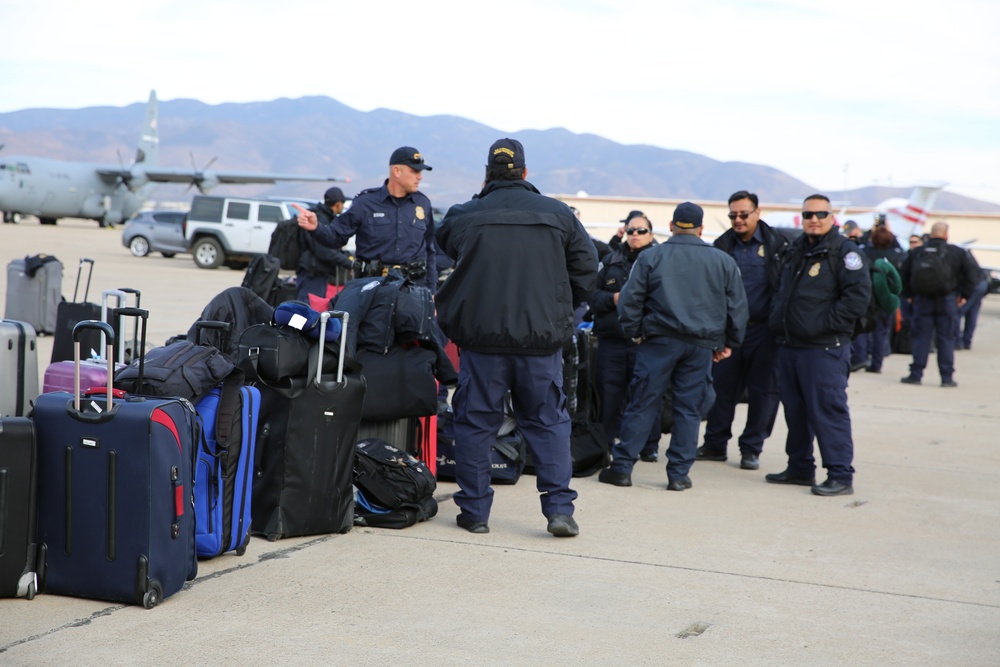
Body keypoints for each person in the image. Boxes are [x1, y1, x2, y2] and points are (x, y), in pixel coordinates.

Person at [434, 138, 598, 537]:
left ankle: (475, 513)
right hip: (540, 342)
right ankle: (559, 510)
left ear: (487, 173)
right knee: (548, 423)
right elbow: (587, 268)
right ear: (525, 173)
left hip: (482, 341)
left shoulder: (464, 214)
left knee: (475, 424)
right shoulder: (558, 214)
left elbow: (445, 246)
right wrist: (559, 307)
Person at [598, 202, 748, 491]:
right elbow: (737, 306)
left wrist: (634, 333)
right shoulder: (722, 260)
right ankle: (678, 474)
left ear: (671, 226)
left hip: (658, 342)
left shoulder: (653, 256)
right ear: (701, 228)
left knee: (642, 403)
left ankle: (622, 468)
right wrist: (729, 342)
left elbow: (630, 301)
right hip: (700, 345)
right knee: (688, 410)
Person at [765, 194, 871, 497]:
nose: (814, 219)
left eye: (820, 214)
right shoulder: (796, 250)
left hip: (824, 348)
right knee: (795, 411)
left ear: (831, 217)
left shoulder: (845, 253)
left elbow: (856, 300)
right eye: (808, 214)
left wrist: (820, 325)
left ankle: (840, 474)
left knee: (828, 411)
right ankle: (799, 467)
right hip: (790, 345)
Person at [696, 191, 789, 471]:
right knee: (722, 389)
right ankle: (714, 444)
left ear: (757, 213)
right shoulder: (721, 246)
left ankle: (751, 448)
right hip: (729, 332)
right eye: (732, 215)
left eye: (743, 214)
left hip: (765, 331)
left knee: (764, 392)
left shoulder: (778, 245)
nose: (738, 219)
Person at [297, 146, 437, 290]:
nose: (420, 176)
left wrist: (432, 292)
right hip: (373, 289)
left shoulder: (422, 204)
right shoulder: (366, 203)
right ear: (397, 171)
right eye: (415, 171)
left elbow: (430, 251)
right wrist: (316, 228)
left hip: (413, 290)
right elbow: (336, 237)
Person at [588, 211, 662, 462]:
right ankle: (606, 441)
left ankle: (649, 445)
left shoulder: (660, 261)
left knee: (646, 393)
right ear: (624, 233)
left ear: (651, 234)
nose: (636, 235)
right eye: (631, 230)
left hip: (646, 342)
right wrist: (614, 298)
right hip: (612, 341)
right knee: (609, 393)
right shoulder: (610, 261)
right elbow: (593, 298)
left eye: (642, 231)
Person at [899, 222, 982, 387]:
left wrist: (909, 295)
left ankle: (915, 374)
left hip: (922, 301)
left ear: (930, 234)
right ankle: (946, 377)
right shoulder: (956, 252)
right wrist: (964, 295)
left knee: (921, 338)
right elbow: (973, 275)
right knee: (946, 339)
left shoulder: (917, 252)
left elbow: (904, 274)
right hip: (947, 301)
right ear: (946, 234)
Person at [294, 186, 355, 302]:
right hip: (312, 274)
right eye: (342, 203)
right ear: (337, 204)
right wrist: (348, 263)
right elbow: (324, 251)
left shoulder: (322, 217)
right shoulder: (320, 219)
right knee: (306, 310)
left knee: (312, 308)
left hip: (316, 272)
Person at [860, 223, 905, 373]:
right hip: (886, 299)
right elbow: (902, 252)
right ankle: (877, 364)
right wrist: (892, 234)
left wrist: (869, 232)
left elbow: (859, 244)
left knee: (863, 329)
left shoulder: (866, 252)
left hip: (868, 297)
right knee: (881, 332)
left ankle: (861, 357)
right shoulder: (895, 254)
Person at [955, 260, 988, 350]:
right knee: (972, 313)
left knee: (957, 313)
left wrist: (963, 296)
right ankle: (967, 342)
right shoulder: (965, 255)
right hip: (981, 283)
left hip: (972, 285)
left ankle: (957, 342)